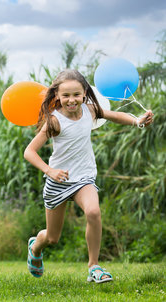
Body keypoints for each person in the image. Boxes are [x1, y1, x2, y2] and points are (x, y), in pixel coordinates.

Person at [23, 69, 154, 283]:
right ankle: (35, 247)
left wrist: (137, 121)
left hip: (83, 178)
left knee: (93, 212)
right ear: (56, 96)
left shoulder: (91, 110)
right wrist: (50, 171)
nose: (71, 100)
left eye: (76, 94)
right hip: (59, 181)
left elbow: (115, 116)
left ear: (85, 93)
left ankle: (94, 266)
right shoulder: (54, 121)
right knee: (53, 238)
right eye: (65, 96)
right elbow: (29, 151)